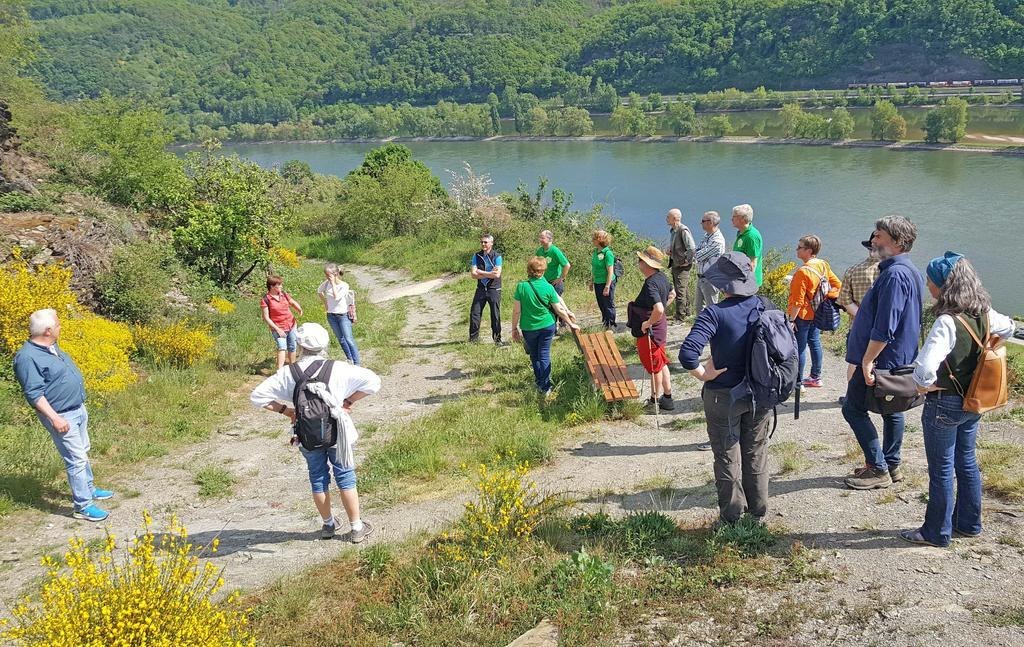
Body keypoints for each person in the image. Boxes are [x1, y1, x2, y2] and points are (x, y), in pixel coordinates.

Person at [901, 253, 1014, 547]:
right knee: (966, 462)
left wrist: (924, 386)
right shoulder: (986, 314)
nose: (928, 286)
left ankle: (936, 532)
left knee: (941, 470)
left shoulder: (947, 323)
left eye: (931, 281)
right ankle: (969, 523)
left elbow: (925, 368)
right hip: (973, 401)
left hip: (945, 403)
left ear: (944, 286)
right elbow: (1011, 327)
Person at [250, 323, 381, 542]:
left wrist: (287, 411)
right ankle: (356, 527)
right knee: (345, 476)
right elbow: (374, 383)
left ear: (300, 345)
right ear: (325, 344)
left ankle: (328, 525)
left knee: (318, 478)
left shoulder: (288, 373)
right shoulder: (338, 368)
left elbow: (257, 396)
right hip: (338, 431)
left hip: (307, 434)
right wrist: (348, 401)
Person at [678, 252, 773, 521]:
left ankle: (731, 517)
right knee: (756, 452)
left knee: (727, 455)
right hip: (760, 393)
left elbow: (687, 354)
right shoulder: (766, 306)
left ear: (723, 284)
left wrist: (703, 374)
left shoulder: (714, 314)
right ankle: (758, 511)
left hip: (724, 395)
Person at [842, 215, 924, 490]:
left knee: (852, 408)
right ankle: (891, 464)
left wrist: (867, 360)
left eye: (879, 235)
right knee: (893, 410)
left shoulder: (895, 274)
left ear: (898, 242)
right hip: (896, 358)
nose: (873, 240)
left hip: (882, 360)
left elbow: (886, 325)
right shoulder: (907, 270)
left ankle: (878, 468)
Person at [13, 309, 114, 521]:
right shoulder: (27, 357)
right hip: (61, 415)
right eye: (58, 325)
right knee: (76, 459)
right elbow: (34, 394)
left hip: (77, 409)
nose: (61, 328)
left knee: (83, 451)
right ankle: (83, 506)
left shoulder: (50, 347)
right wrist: (55, 418)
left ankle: (88, 488)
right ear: (48, 331)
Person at [511, 257, 580, 396]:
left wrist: (514, 328)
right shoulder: (548, 287)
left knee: (534, 355)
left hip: (528, 327)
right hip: (547, 326)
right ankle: (546, 386)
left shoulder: (522, 286)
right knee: (544, 355)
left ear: (529, 270)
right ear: (543, 271)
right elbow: (558, 309)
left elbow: (517, 310)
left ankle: (539, 382)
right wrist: (571, 323)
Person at [787, 235, 841, 389]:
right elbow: (837, 285)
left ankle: (797, 383)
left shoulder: (802, 272)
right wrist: (825, 298)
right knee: (815, 342)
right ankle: (815, 377)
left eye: (800, 247)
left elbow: (797, 301)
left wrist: (791, 320)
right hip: (818, 312)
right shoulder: (823, 264)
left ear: (809, 251)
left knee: (800, 347)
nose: (796, 250)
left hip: (802, 316)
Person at [631, 246, 676, 411]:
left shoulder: (651, 283)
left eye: (640, 261)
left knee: (654, 366)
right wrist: (658, 314)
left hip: (651, 331)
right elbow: (672, 294)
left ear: (647, 264)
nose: (638, 263)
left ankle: (654, 401)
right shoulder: (661, 277)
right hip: (660, 327)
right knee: (661, 362)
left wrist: (648, 322)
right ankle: (668, 397)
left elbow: (659, 309)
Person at [837, 234, 882, 388]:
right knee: (880, 361)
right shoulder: (889, 272)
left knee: (855, 362)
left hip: (857, 326)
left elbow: (844, 300)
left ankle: (852, 394)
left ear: (869, 249)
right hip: (882, 327)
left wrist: (863, 316)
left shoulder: (853, 270)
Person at [318, 263, 360, 365]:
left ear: (336, 274)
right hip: (331, 315)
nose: (327, 277)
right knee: (341, 340)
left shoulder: (344, 285)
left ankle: (357, 362)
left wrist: (333, 284)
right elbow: (319, 291)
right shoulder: (326, 283)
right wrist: (326, 303)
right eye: (326, 275)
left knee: (348, 339)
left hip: (343, 316)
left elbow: (337, 297)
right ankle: (349, 359)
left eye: (329, 275)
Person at [262, 275, 303, 370]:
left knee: (292, 346)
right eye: (279, 285)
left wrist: (299, 309)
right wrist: (278, 329)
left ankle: (293, 368)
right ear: (272, 286)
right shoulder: (266, 299)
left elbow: (292, 302)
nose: (281, 286)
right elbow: (266, 318)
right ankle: (279, 371)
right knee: (282, 347)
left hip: (291, 324)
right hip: (278, 327)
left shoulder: (283, 294)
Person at [469, 233, 503, 344]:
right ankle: (473, 339)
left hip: (494, 289)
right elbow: (473, 274)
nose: (483, 244)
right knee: (475, 312)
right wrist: (489, 273)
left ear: (491, 243)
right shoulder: (476, 256)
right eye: (482, 242)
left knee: (495, 314)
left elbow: (497, 275)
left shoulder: (497, 257)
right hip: (481, 289)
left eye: (485, 242)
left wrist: (481, 272)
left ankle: (497, 339)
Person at [664, 208, 696, 321]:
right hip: (676, 264)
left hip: (682, 266)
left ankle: (680, 316)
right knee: (683, 289)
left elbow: (691, 248)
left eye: (668, 217)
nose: (666, 219)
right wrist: (671, 251)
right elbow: (680, 247)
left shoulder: (683, 230)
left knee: (680, 291)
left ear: (675, 218)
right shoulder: (674, 231)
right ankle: (687, 313)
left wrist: (687, 260)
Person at [693, 210, 727, 312]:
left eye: (703, 221)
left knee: (711, 309)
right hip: (701, 277)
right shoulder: (707, 236)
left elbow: (698, 255)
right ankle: (701, 328)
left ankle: (713, 328)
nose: (701, 223)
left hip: (710, 279)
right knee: (699, 309)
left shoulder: (717, 241)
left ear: (710, 222)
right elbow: (697, 250)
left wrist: (695, 254)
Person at [536, 230, 571, 329]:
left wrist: (561, 278)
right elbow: (536, 264)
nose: (540, 240)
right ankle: (553, 325)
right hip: (544, 283)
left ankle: (561, 324)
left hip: (555, 283)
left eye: (542, 238)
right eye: (540, 237)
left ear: (549, 239)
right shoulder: (540, 251)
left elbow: (567, 265)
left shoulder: (555, 250)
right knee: (547, 305)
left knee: (556, 304)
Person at [731, 203, 764, 288]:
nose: (731, 219)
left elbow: (752, 264)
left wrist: (745, 285)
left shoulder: (751, 237)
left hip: (747, 283)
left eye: (734, 216)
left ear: (742, 219)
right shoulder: (742, 233)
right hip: (739, 279)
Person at [591, 229, 617, 329]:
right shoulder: (595, 251)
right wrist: (592, 281)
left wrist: (607, 286)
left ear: (600, 240)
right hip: (597, 281)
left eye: (594, 238)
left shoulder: (608, 253)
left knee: (608, 303)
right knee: (601, 303)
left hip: (607, 282)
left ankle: (611, 325)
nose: (592, 240)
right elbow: (594, 267)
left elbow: (610, 271)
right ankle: (605, 322)